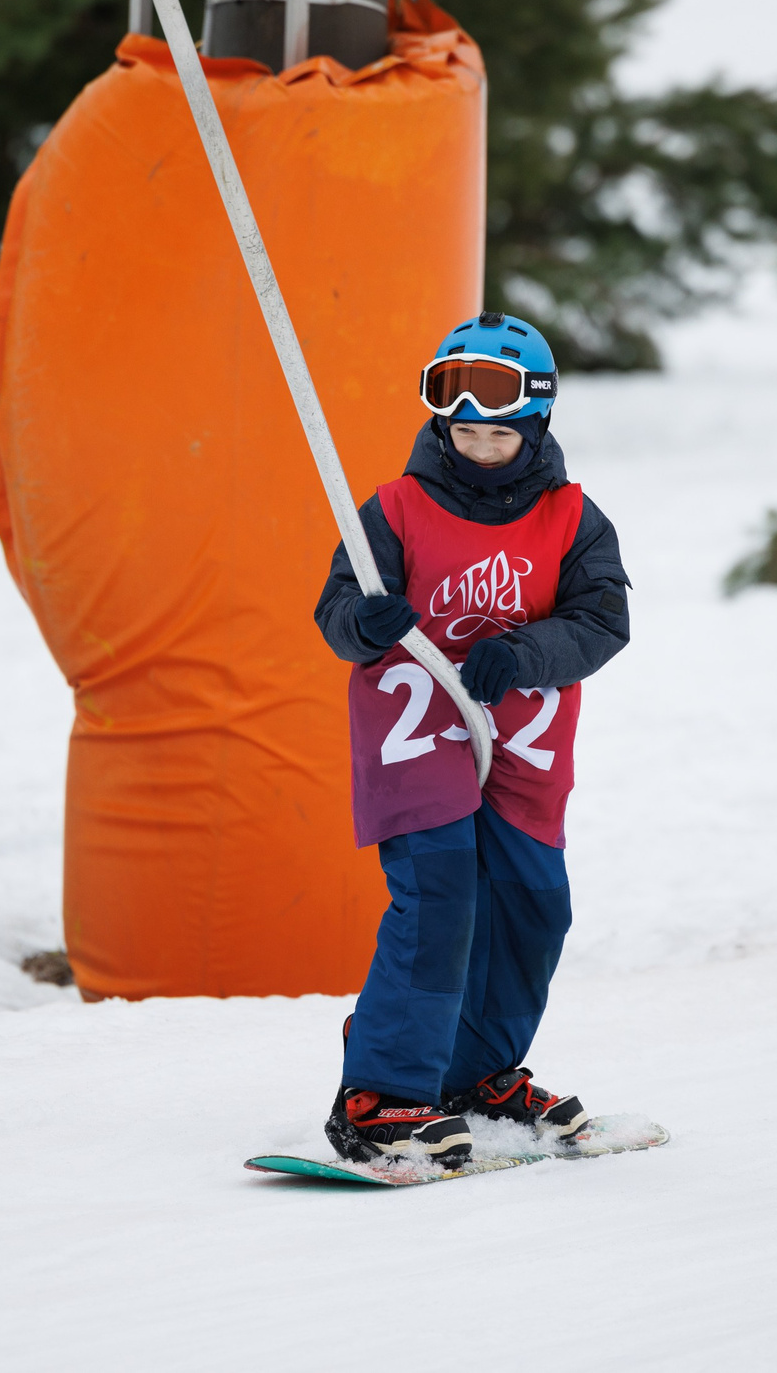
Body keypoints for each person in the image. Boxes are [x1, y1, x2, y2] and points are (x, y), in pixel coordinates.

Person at [312, 310, 632, 1168]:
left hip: (523, 743)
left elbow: (604, 621)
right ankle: (381, 1093)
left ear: (536, 421)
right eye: (462, 428)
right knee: (440, 898)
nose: (477, 444)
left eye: (497, 432)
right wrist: (365, 622)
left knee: (533, 906)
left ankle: (475, 1072)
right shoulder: (394, 510)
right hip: (417, 734)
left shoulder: (573, 519)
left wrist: (525, 652)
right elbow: (335, 614)